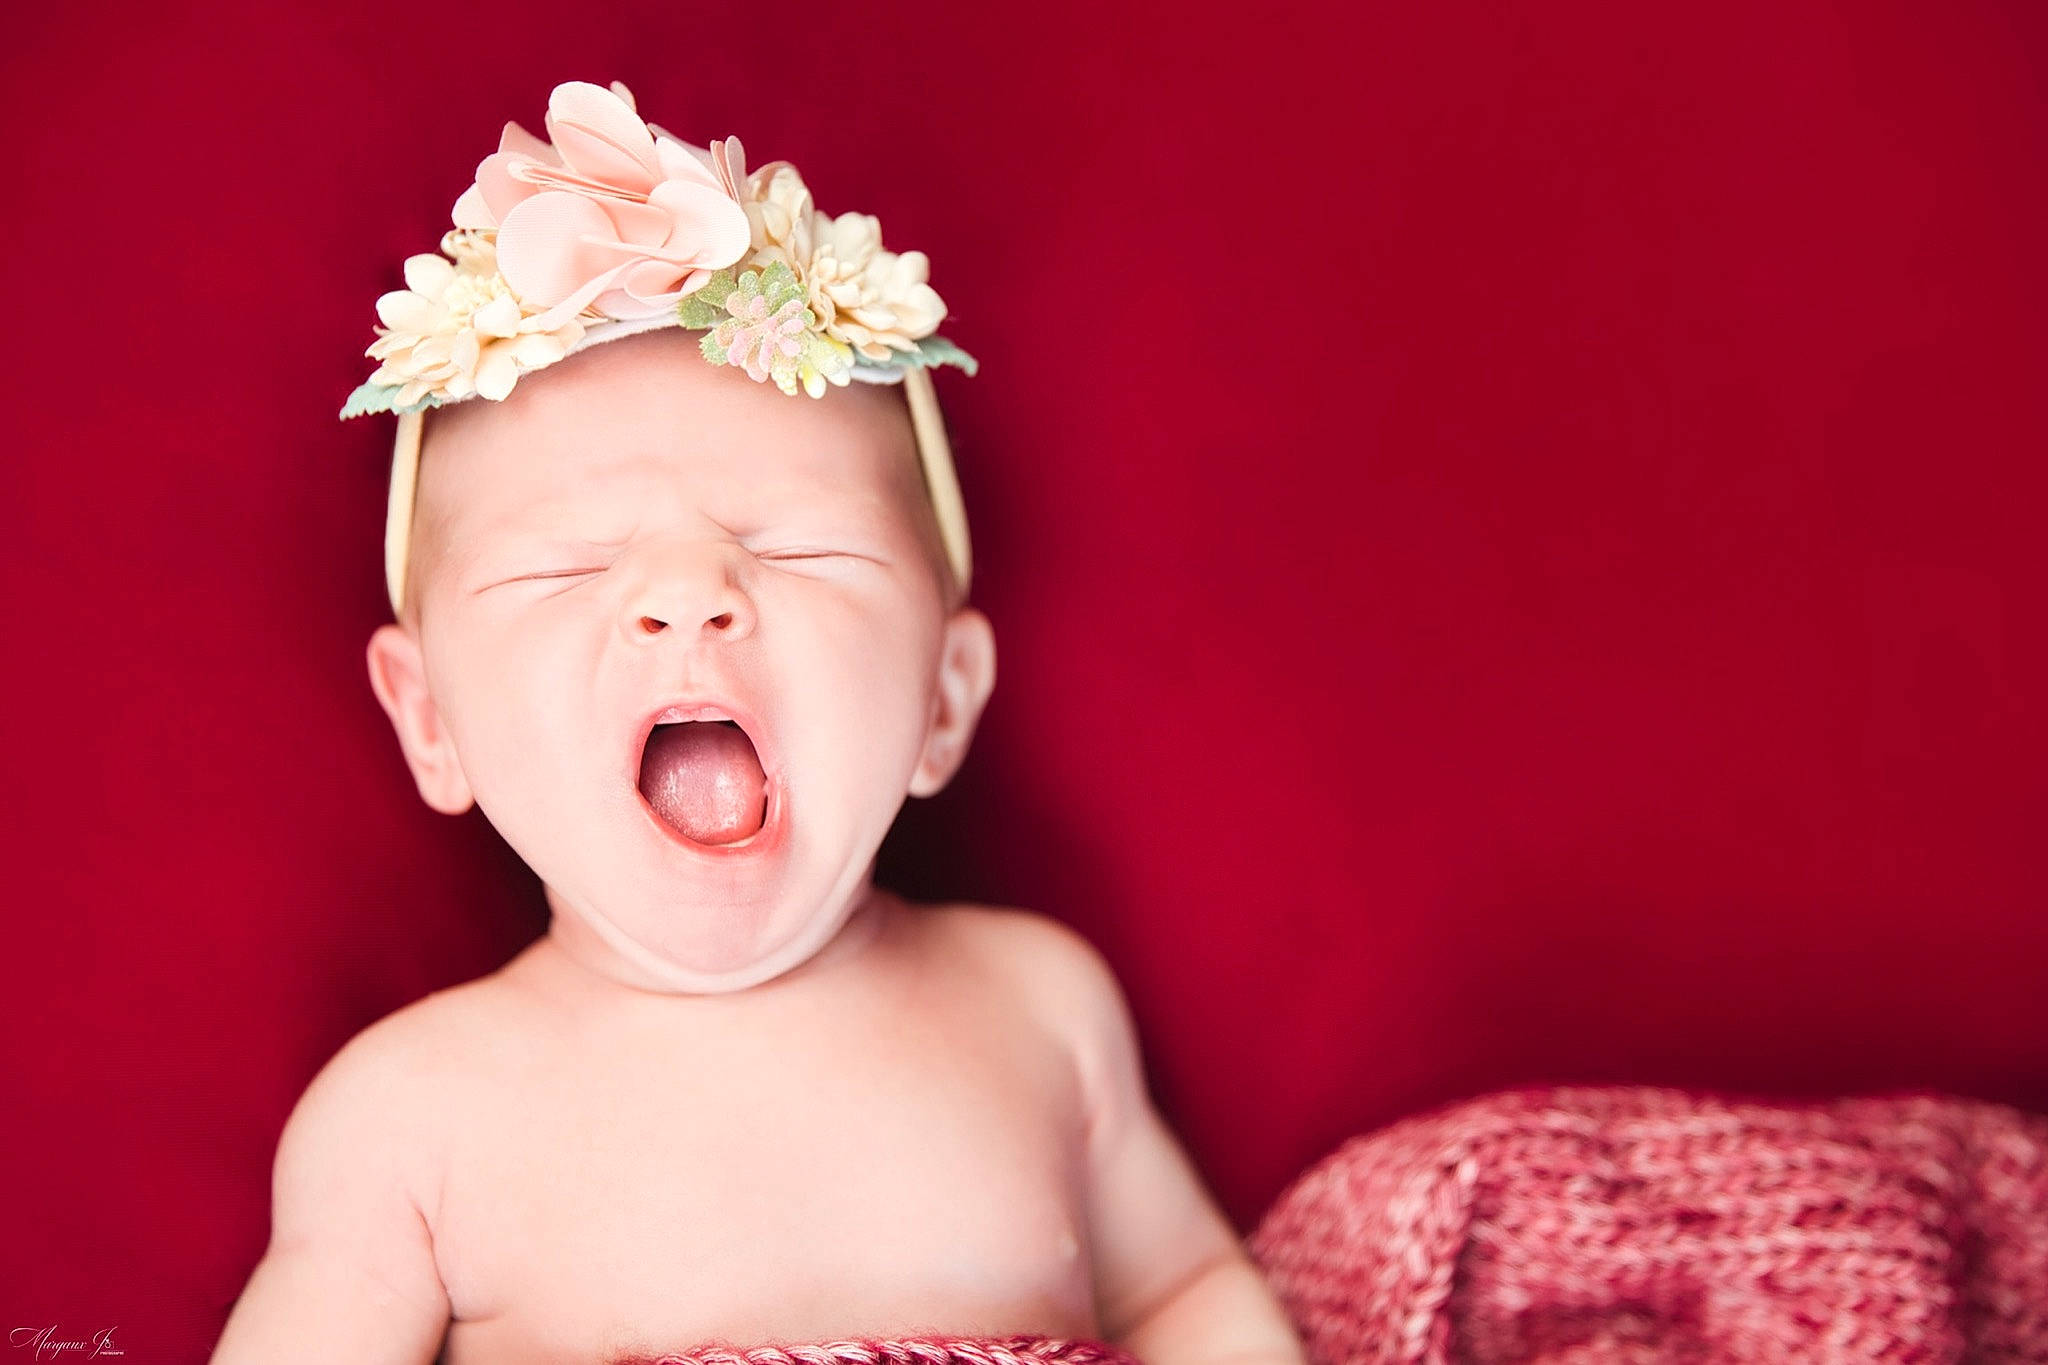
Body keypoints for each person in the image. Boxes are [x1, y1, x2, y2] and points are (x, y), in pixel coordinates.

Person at [210, 79, 1305, 1365]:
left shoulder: (1040, 1007)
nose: (689, 593)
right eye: (566, 566)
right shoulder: (407, 1123)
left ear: (943, 698)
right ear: (430, 720)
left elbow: (1184, 1292)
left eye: (797, 549)